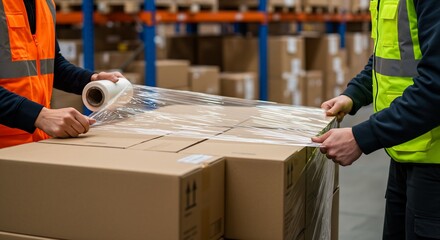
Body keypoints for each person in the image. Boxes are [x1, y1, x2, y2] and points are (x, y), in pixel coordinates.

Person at [312, 0, 440, 239]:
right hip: (406, 149)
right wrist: (353, 95)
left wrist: (363, 137)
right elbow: (388, 56)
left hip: (434, 165)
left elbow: (437, 85)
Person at [0, 0, 124, 148]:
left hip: (34, 143)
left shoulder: (45, 3)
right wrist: (38, 115)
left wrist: (91, 79)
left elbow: (52, 63)